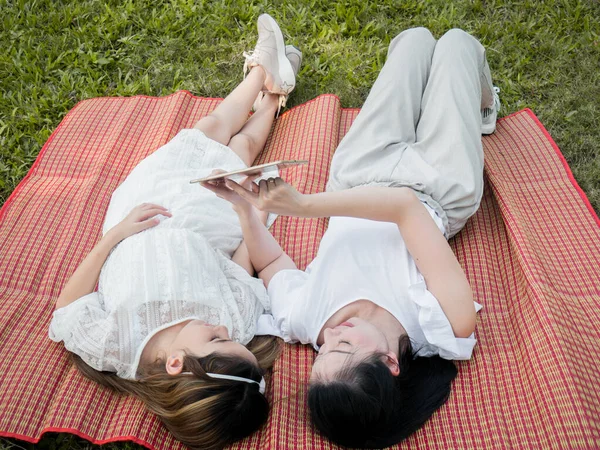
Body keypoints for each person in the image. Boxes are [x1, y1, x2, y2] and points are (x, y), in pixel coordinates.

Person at [203, 27, 499, 448]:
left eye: (322, 356)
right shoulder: (443, 326)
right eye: (343, 349)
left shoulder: (308, 320)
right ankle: (484, 104)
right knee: (456, 44)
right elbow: (404, 208)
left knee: (413, 41)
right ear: (392, 363)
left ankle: (467, 97)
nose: (331, 339)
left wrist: (243, 209)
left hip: (357, 175)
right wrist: (305, 206)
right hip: (438, 186)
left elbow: (269, 264)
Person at [48, 14, 301, 450]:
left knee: (204, 133)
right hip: (208, 223)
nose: (223, 327)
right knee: (235, 149)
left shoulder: (117, 347)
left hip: (139, 215)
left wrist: (114, 237)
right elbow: (239, 269)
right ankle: (270, 87)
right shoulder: (233, 325)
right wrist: (248, 210)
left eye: (216, 338)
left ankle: (268, 79)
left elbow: (67, 306)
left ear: (176, 364)